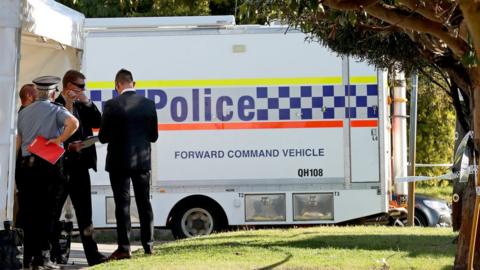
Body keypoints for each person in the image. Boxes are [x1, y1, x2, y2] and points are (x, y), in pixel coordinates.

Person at [16, 76, 79, 270]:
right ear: (53, 93)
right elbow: (74, 124)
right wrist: (58, 139)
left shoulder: (24, 112)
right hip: (48, 167)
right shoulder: (56, 109)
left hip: (26, 166)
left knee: (28, 213)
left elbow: (18, 140)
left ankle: (27, 258)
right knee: (48, 213)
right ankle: (42, 259)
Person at [98, 69, 158, 260]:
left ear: (117, 86)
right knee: (144, 203)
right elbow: (154, 136)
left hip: (118, 162)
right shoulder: (148, 104)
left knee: (122, 205)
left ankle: (125, 248)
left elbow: (104, 137)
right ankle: (148, 245)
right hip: (141, 162)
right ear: (134, 83)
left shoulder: (111, 105)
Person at [50, 70, 106, 266]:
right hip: (61, 167)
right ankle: (52, 254)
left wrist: (87, 101)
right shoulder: (54, 104)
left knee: (85, 214)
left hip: (81, 166)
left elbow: (99, 122)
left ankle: (93, 255)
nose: (83, 90)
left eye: (84, 86)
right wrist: (67, 146)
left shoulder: (84, 105)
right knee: (53, 213)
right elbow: (50, 137)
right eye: (80, 86)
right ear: (68, 86)